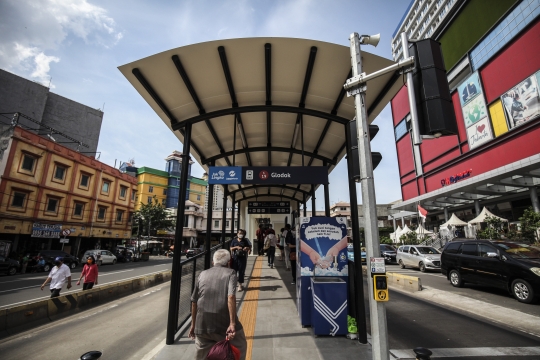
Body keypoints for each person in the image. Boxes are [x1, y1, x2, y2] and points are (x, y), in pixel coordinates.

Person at [188, 249, 247, 360]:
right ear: (229, 262)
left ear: (213, 262)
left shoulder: (202, 274)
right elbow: (231, 296)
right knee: (240, 345)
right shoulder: (231, 273)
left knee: (201, 353)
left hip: (202, 324)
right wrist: (232, 323)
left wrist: (193, 325)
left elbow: (194, 300)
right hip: (223, 323)